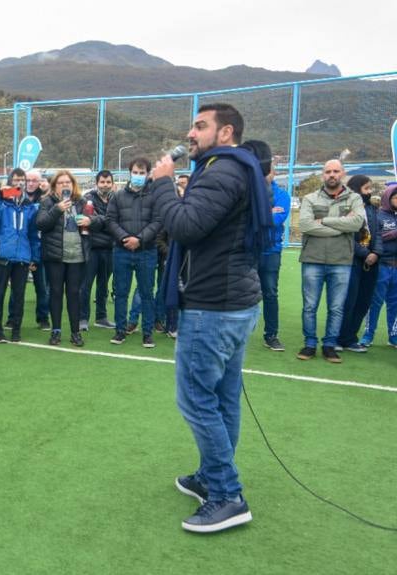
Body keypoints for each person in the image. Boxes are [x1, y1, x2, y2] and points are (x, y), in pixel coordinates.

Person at [150, 102, 275, 533]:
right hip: (231, 302)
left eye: (200, 126)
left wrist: (164, 186)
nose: (191, 133)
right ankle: (210, 476)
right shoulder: (236, 168)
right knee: (221, 398)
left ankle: (226, 494)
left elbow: (185, 227)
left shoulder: (222, 170)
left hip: (213, 307)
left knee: (196, 400)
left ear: (226, 133)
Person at [296, 159, 365, 363]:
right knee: (310, 306)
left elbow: (357, 223)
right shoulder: (309, 198)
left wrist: (324, 220)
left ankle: (329, 345)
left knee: (336, 307)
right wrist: (342, 226)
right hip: (313, 259)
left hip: (341, 260)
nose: (332, 175)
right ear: (322, 174)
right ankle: (309, 344)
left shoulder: (355, 198)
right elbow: (306, 225)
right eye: (328, 171)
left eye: (336, 171)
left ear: (343, 173)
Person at [239, 142, 290, 352]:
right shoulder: (247, 193)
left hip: (270, 251)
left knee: (269, 293)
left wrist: (264, 215)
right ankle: (240, 333)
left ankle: (271, 335)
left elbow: (273, 220)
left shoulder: (283, 196)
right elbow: (250, 218)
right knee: (243, 293)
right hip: (248, 250)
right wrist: (266, 213)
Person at [107, 157, 161, 347]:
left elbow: (158, 221)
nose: (138, 176)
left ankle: (147, 333)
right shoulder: (118, 196)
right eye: (135, 172)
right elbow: (110, 220)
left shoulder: (155, 196)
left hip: (146, 251)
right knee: (120, 293)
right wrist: (124, 239)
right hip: (121, 251)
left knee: (147, 293)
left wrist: (139, 239)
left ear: (148, 174)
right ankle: (120, 331)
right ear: (129, 173)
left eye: (142, 173)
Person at [36, 170, 94, 347]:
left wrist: (90, 221)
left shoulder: (82, 202)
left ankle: (75, 332)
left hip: (77, 255)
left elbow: (99, 221)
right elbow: (41, 223)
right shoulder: (47, 202)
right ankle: (56, 331)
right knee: (55, 292)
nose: (65, 185)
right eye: (60, 183)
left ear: (73, 184)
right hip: (55, 256)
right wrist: (57, 209)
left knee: (74, 294)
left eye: (67, 182)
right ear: (54, 186)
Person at [0, 170, 41, 343]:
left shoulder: (29, 207)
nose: (19, 183)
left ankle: (16, 329)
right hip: (2, 256)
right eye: (16, 180)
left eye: (22, 180)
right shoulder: (0, 202)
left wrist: (34, 257)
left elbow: (33, 234)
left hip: (22, 257)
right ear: (9, 182)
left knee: (19, 295)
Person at [337, 174, 383, 352]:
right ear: (356, 189)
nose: (370, 192)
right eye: (366, 189)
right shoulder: (346, 207)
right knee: (349, 300)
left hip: (372, 262)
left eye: (371, 188)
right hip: (351, 261)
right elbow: (345, 234)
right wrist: (365, 253)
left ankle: (351, 338)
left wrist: (376, 253)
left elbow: (377, 233)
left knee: (364, 301)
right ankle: (339, 337)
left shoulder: (372, 209)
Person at [361, 184, 397, 348]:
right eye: (395, 197)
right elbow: (376, 237)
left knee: (395, 303)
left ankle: (393, 335)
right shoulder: (379, 216)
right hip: (382, 265)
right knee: (375, 301)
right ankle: (368, 334)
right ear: (388, 198)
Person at [80, 170, 116, 330]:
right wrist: (107, 221)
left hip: (110, 248)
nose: (105, 185)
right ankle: (82, 319)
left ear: (112, 183)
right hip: (91, 248)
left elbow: (116, 220)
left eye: (108, 182)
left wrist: (99, 221)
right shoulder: (87, 198)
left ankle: (101, 317)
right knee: (85, 285)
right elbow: (88, 222)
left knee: (103, 285)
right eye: (102, 182)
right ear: (97, 183)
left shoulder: (117, 198)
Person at [24, 169, 51, 330]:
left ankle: (43, 318)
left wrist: (47, 188)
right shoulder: (16, 195)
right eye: (28, 180)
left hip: (41, 248)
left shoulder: (46, 198)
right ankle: (13, 318)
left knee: (42, 287)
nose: (31, 183)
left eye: (35, 180)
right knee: (17, 287)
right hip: (21, 247)